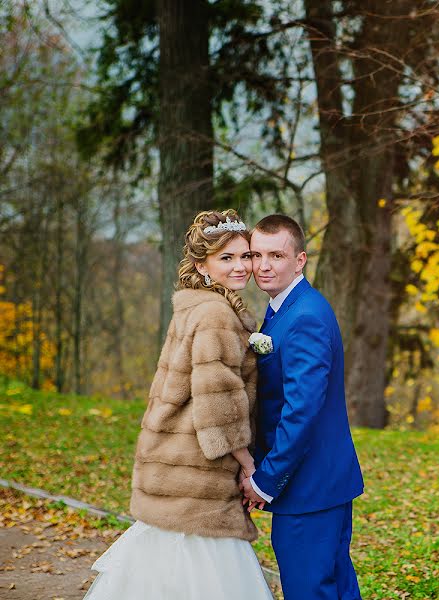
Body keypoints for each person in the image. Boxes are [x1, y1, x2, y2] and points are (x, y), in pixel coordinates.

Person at [84, 210, 273, 600]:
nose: (241, 266)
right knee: (205, 563)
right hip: (197, 467)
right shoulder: (215, 315)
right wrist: (249, 465)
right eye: (227, 258)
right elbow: (218, 404)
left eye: (245, 256)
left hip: (173, 456)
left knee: (167, 560)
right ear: (202, 266)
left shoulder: (196, 305)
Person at [240, 214, 364, 600]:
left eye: (276, 255)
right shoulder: (284, 308)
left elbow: (301, 410)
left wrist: (265, 479)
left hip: (310, 487)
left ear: (300, 260)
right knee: (336, 586)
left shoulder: (305, 316)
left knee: (309, 590)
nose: (263, 265)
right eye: (256, 254)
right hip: (323, 484)